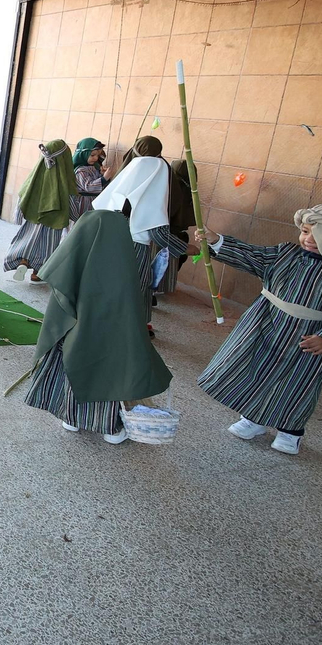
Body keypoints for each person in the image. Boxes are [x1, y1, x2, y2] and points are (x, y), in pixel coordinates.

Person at [196, 205, 322, 456]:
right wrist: (218, 241)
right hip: (265, 324)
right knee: (255, 370)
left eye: (318, 235)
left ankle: (290, 431)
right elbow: (254, 256)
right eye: (304, 231)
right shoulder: (286, 254)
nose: (308, 239)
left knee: (295, 383)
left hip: (307, 338)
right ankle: (253, 418)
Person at [21, 209, 171, 445]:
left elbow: (60, 307)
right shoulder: (123, 269)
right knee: (107, 378)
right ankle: (108, 428)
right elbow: (130, 314)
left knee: (72, 370)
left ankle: (71, 417)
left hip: (72, 343)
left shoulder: (72, 265)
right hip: (108, 348)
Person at [92, 137, 192, 333]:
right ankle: (136, 325)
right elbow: (158, 231)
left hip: (113, 241)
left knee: (114, 282)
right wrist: (186, 248)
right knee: (138, 285)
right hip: (136, 247)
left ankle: (107, 318)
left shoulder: (131, 170)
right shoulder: (157, 170)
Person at [3, 139, 78, 282]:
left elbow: (23, 193)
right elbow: (71, 200)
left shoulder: (37, 173)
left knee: (28, 240)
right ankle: (37, 274)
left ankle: (23, 261)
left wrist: (19, 215)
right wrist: (76, 218)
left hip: (33, 217)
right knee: (47, 247)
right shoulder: (64, 179)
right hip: (54, 220)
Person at [154, 158, 197, 297]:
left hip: (174, 233)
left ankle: (157, 289)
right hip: (166, 234)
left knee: (171, 261)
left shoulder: (185, 189)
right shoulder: (170, 189)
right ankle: (153, 290)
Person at [69, 137, 107, 221]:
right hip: (83, 205)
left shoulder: (92, 167)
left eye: (98, 155)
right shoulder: (80, 171)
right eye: (92, 155)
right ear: (83, 154)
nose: (96, 158)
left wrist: (101, 174)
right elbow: (89, 186)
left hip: (91, 203)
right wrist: (104, 178)